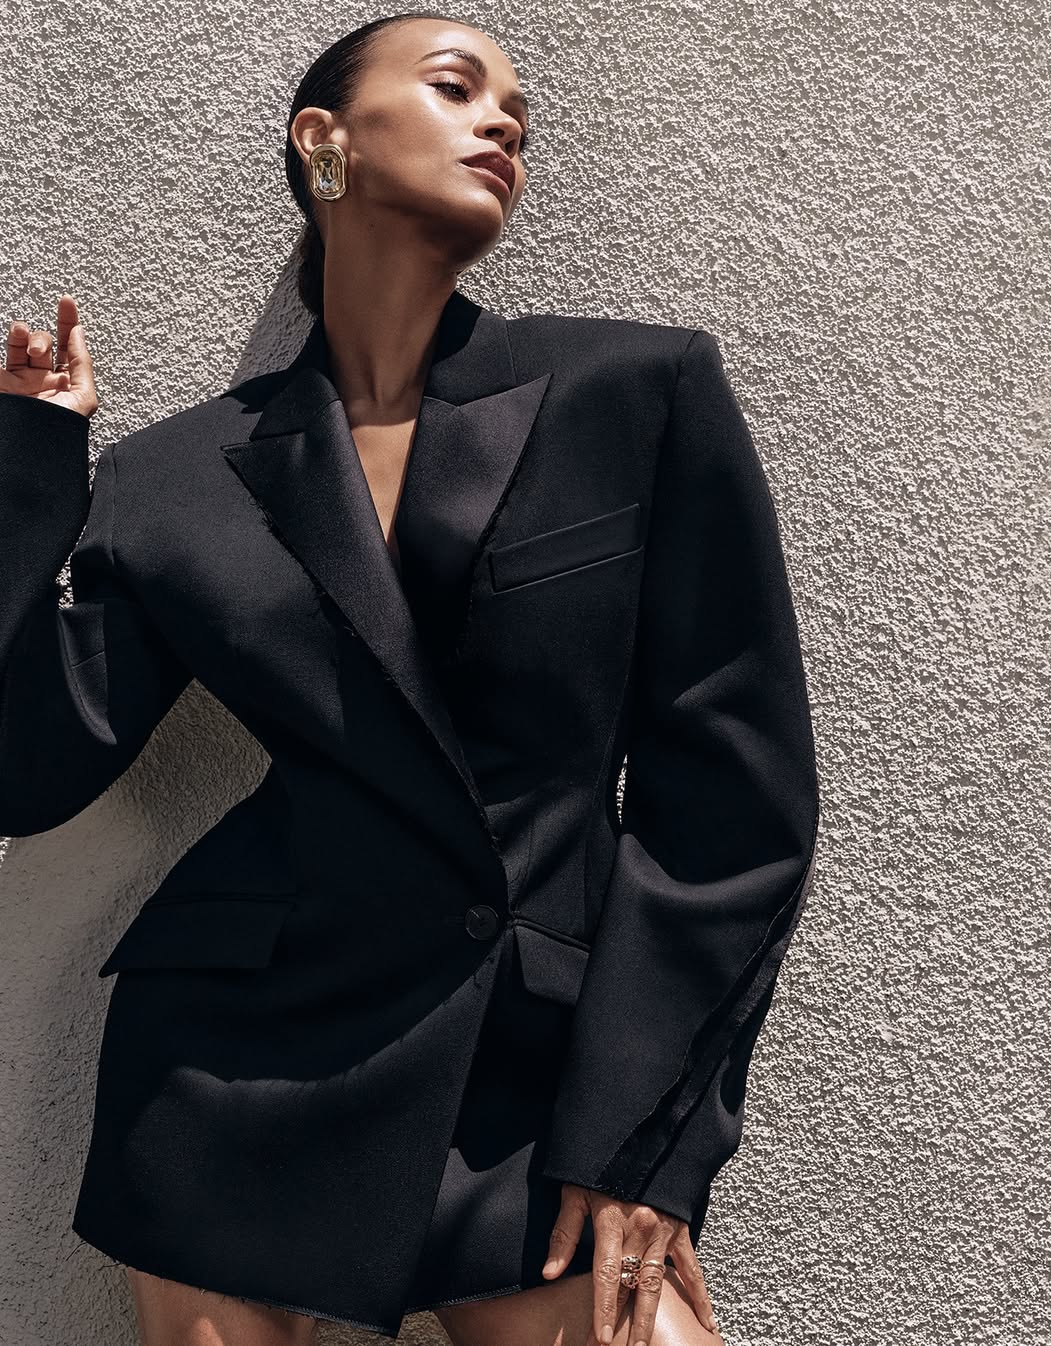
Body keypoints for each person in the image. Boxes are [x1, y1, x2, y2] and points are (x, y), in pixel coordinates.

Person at [0, 13, 819, 1346]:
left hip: (539, 1072)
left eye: (518, 116)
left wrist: (648, 1135)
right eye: (454, 86)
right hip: (237, 1056)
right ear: (323, 142)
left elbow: (734, 802)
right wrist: (30, 467)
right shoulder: (177, 474)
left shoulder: (635, 391)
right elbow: (27, 769)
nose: (501, 122)